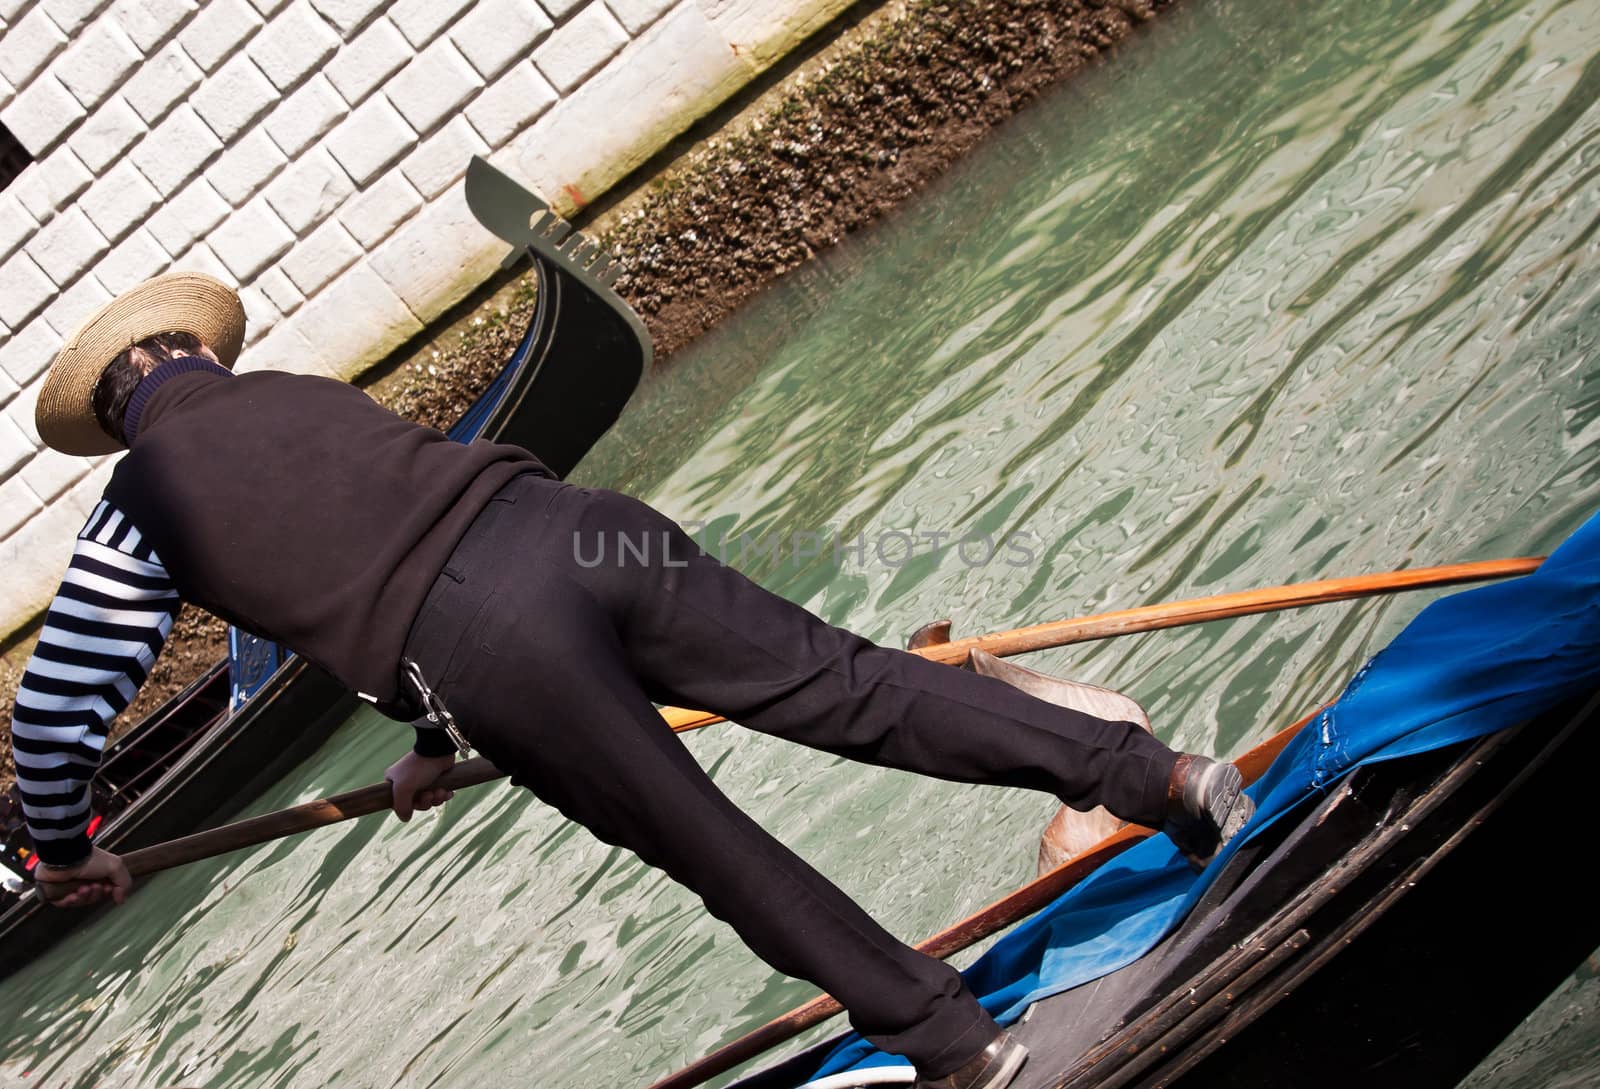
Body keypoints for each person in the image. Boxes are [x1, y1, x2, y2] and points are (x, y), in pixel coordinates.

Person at [8, 272, 1251, 1089]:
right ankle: (1166, 778)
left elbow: (63, 707)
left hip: (494, 642)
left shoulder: (141, 507)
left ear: (119, 420)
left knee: (708, 844)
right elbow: (400, 523)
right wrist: (433, 746)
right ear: (198, 360)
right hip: (581, 529)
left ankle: (957, 1046)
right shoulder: (304, 395)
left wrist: (62, 847)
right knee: (854, 684)